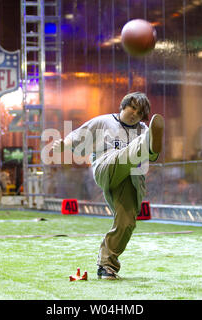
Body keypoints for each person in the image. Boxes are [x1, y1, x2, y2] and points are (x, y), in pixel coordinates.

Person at [52, 92, 164, 280]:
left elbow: (152, 158)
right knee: (124, 154)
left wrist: (151, 150)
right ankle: (147, 146)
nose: (135, 114)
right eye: (133, 108)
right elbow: (78, 136)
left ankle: (107, 265)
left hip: (131, 176)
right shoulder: (104, 122)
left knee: (127, 222)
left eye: (140, 112)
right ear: (124, 106)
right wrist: (64, 144)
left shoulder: (144, 129)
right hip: (106, 164)